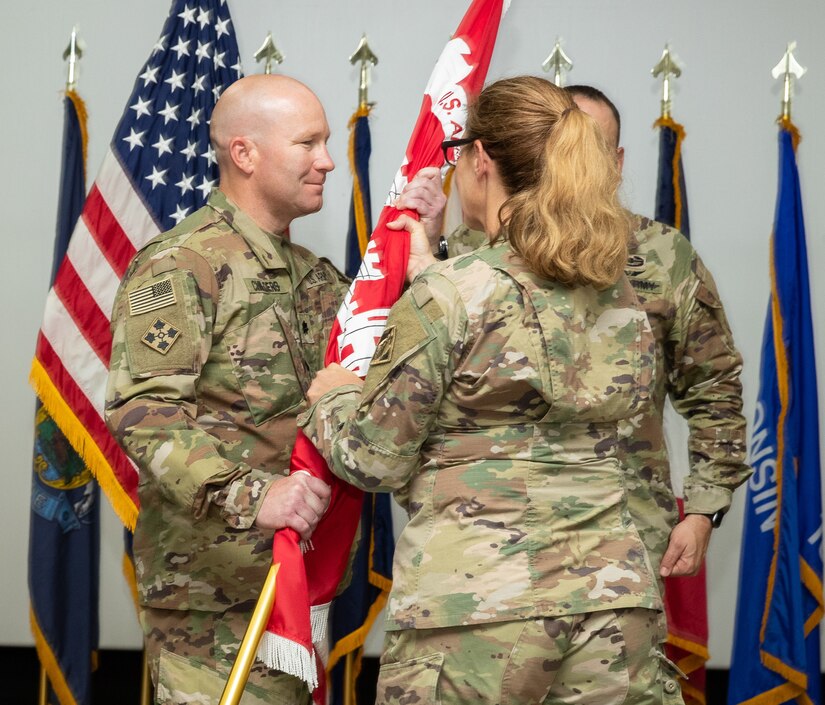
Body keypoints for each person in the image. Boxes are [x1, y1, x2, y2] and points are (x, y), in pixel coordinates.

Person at [299, 76, 685, 705]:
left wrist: (335, 396)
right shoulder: (618, 292)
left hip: (477, 610)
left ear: (481, 160)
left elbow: (374, 456)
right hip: (614, 606)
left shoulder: (454, 293)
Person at [443, 83, 751, 581]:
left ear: (618, 160)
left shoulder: (662, 255)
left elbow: (713, 388)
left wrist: (702, 510)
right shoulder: (467, 251)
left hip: (624, 534)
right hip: (496, 536)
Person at [105, 75, 347, 705]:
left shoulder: (314, 278)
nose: (327, 160)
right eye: (308, 142)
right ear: (244, 154)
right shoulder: (182, 264)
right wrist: (252, 495)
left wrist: (421, 236)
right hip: (211, 605)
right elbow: (145, 414)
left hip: (293, 588)